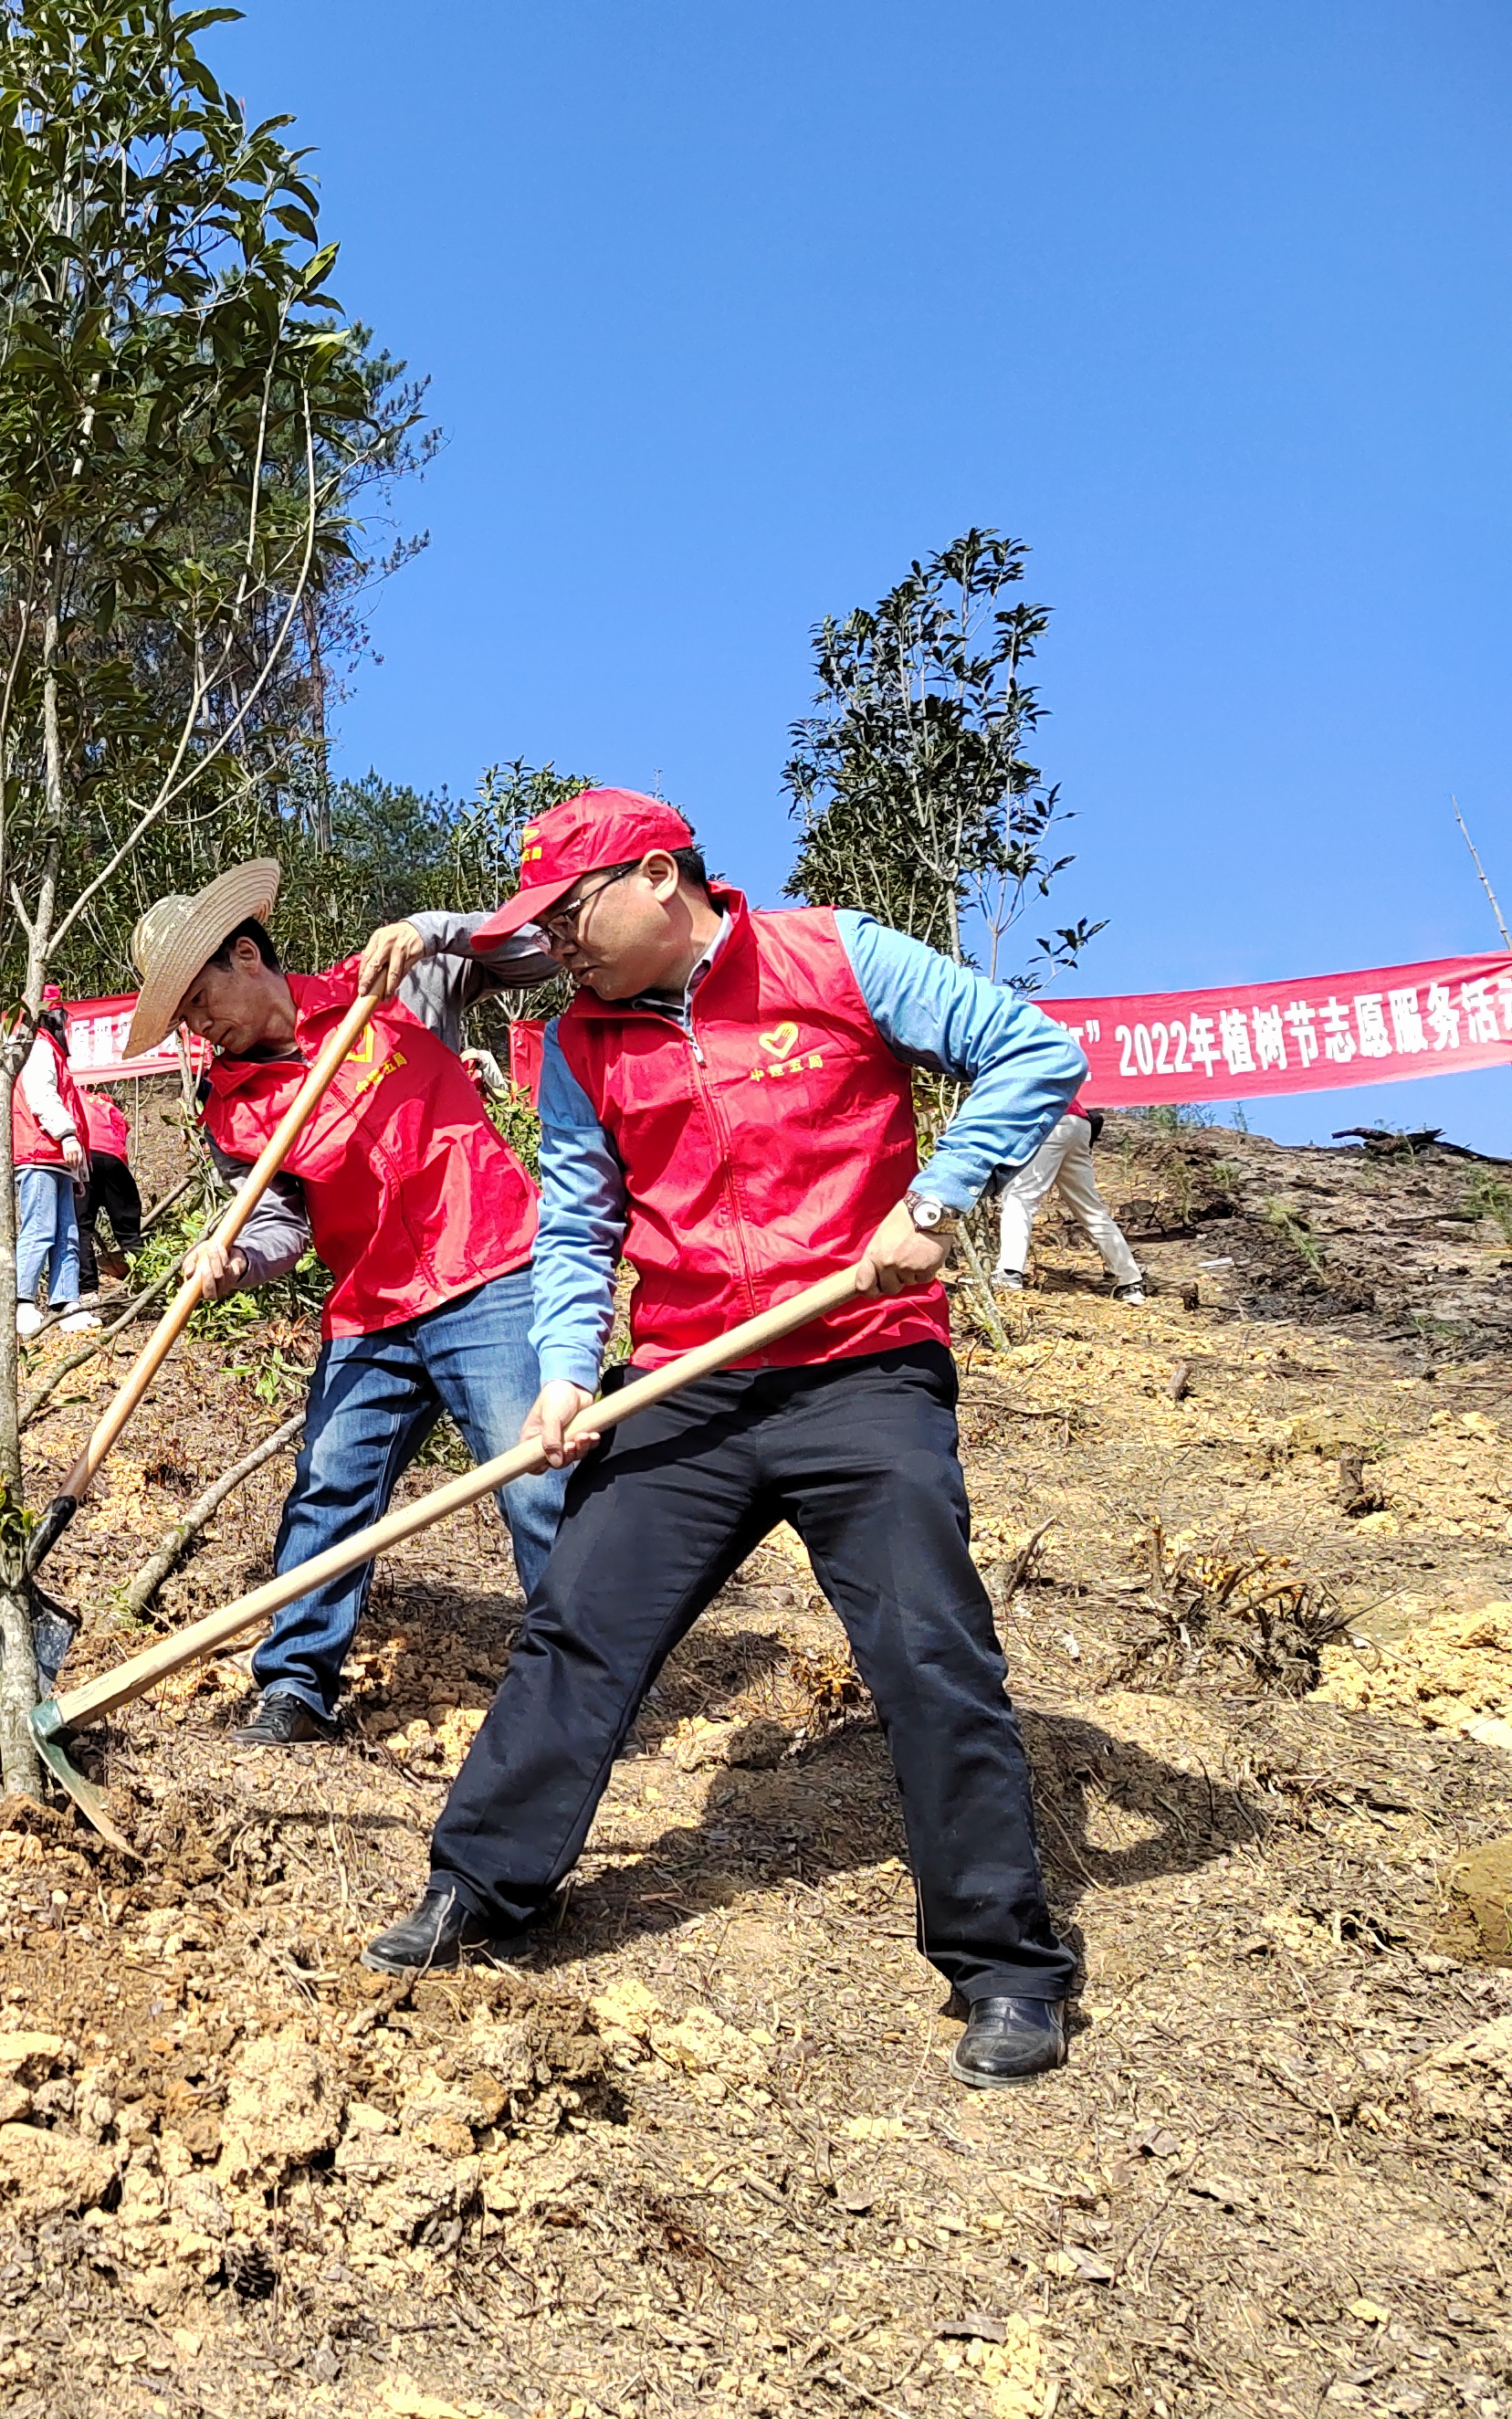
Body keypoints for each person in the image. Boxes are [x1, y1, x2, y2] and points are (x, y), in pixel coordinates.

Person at [368, 788, 1088, 2091]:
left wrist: (937, 1198)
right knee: (580, 1618)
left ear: (659, 878)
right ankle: (484, 1882)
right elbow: (580, 1227)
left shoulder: (835, 956)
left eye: (571, 915)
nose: (560, 947)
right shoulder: (581, 1044)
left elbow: (1033, 1051)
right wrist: (561, 1378)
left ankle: (1005, 1966)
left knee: (929, 1647)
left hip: (860, 1366)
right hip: (687, 1383)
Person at [122, 861, 564, 1749]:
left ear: (244, 955)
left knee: (537, 1480)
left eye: (195, 999)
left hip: (489, 1265)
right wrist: (234, 1258)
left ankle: (587, 1672)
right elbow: (282, 1228)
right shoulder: (232, 1107)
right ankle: (294, 1686)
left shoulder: (389, 986)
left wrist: (438, 927)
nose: (193, 1025)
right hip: (371, 1309)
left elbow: (541, 953)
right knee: (328, 1491)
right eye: (176, 1018)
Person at [996, 1096, 1146, 1301]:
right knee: (1091, 1209)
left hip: (1048, 1121)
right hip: (1078, 1122)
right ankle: (1130, 1283)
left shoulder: (1007, 1067)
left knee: (1020, 1198)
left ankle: (1009, 1273)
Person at [11, 993, 94, 1334]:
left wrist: (76, 1168)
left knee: (67, 1233)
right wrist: (67, 1135)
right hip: (40, 1154)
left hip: (55, 1156)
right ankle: (24, 1302)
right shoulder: (41, 1048)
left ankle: (65, 1301)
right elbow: (41, 1096)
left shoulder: (50, 1052)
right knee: (41, 1229)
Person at [73, 1079, 143, 1288]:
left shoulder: (72, 1096)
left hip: (84, 1158)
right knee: (128, 1229)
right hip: (114, 1161)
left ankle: (88, 1288)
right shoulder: (107, 1105)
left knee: (81, 1228)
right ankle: (145, 1277)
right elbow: (122, 1134)